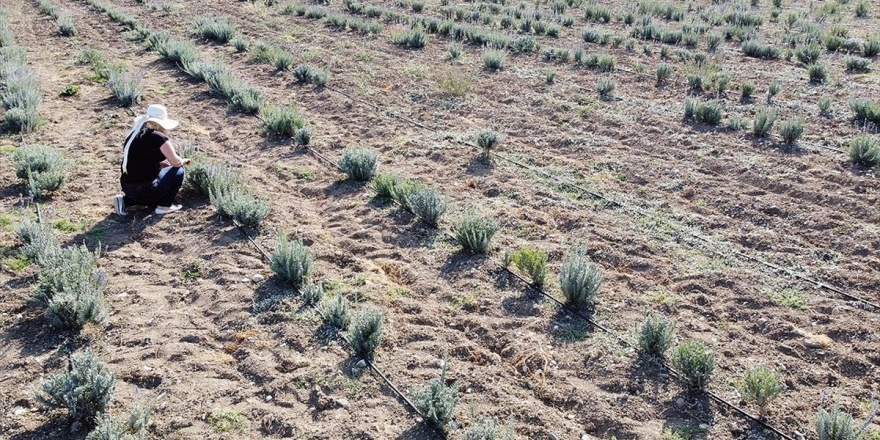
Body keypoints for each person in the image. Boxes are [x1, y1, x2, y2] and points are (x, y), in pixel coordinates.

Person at [114, 104, 190, 216]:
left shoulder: (135, 134)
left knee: (154, 184)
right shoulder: (158, 137)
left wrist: (158, 164)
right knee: (178, 171)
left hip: (128, 188)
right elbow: (176, 162)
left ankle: (125, 201)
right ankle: (164, 206)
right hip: (146, 190)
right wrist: (183, 160)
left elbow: (139, 159)